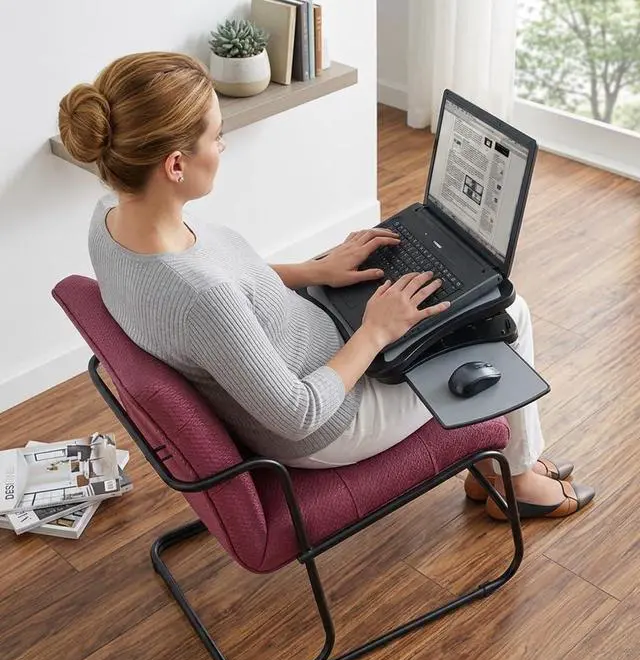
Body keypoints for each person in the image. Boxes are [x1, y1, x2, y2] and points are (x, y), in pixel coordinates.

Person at [58, 51, 595, 520]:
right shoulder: (200, 297)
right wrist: (374, 332)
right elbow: (299, 415)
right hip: (333, 421)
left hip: (317, 341)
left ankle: (502, 469)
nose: (223, 145)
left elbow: (230, 280)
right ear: (175, 164)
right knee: (505, 311)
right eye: (216, 136)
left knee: (458, 303)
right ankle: (516, 482)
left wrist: (318, 270)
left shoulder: (111, 218)